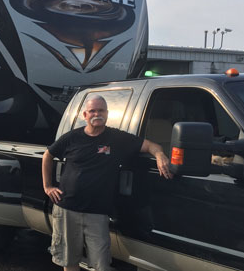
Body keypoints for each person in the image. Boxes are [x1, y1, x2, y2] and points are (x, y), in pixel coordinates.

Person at [42, 95, 172, 271]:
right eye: (93, 111)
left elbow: (150, 146)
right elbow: (47, 155)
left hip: (97, 213)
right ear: (85, 115)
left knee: (102, 264)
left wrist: (160, 155)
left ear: (107, 113)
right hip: (67, 209)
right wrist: (48, 186)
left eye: (101, 110)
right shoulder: (72, 137)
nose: (97, 114)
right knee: (69, 262)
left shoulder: (117, 139)